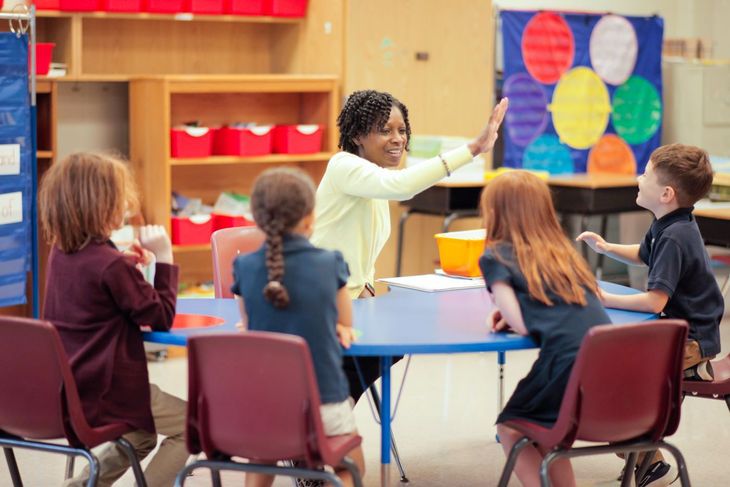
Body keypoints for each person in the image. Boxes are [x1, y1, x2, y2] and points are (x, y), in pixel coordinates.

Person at [311, 89, 509, 401]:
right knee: (380, 348)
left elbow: (357, 248)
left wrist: (364, 287)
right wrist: (473, 148)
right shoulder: (343, 165)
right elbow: (402, 186)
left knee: (395, 343)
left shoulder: (374, 179)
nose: (397, 139)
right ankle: (326, 420)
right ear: (358, 135)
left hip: (350, 301)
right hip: (320, 302)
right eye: (384, 130)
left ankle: (328, 417)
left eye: (402, 130)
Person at [577, 143, 724, 486]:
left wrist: (605, 298)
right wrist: (607, 248)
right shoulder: (667, 224)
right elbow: (645, 255)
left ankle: (652, 463)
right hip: (683, 331)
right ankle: (646, 461)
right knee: (613, 371)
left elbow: (654, 302)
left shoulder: (675, 236)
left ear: (667, 193)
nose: (638, 178)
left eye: (645, 174)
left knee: (617, 382)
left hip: (691, 339)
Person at [40, 153, 187, 487]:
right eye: (118, 196)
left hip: (74, 387)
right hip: (109, 391)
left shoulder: (62, 251)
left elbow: (98, 286)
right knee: (193, 426)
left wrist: (122, 262)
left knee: (143, 437)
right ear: (100, 204)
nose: (125, 203)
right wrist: (164, 260)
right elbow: (161, 317)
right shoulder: (111, 265)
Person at [231, 167, 365, 487]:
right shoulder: (331, 262)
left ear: (257, 216)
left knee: (263, 456)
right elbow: (346, 323)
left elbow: (249, 326)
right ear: (309, 218)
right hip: (324, 404)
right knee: (351, 467)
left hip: (265, 405)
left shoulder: (244, 267)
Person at [480, 171, 610, 487]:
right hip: (607, 362)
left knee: (510, 427)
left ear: (494, 213)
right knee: (550, 438)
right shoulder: (564, 253)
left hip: (566, 363)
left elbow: (522, 324)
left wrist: (509, 313)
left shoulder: (495, 256)